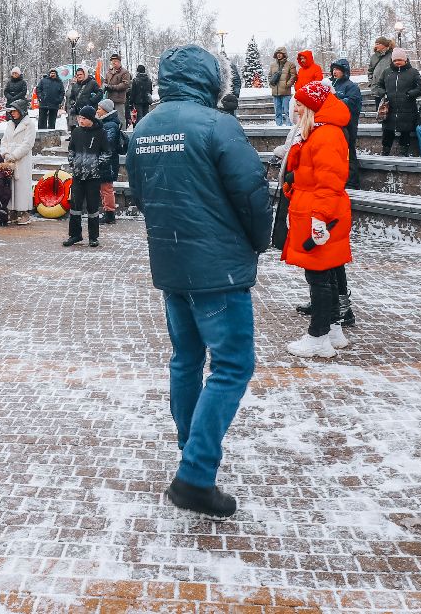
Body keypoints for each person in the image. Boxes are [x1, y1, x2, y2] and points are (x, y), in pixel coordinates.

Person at [125, 45, 270, 519]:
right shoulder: (217, 124)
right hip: (219, 269)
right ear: (209, 79)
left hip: (172, 261)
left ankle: (191, 453)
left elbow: (142, 195)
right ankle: (196, 473)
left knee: (186, 359)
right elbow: (251, 193)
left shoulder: (143, 128)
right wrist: (258, 240)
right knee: (231, 366)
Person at [280, 80, 354, 358]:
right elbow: (316, 174)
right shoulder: (319, 133)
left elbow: (330, 182)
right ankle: (333, 330)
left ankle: (318, 336)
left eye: (300, 103)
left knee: (319, 278)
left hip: (319, 211)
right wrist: (294, 178)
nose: (296, 108)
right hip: (313, 208)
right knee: (328, 273)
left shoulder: (325, 136)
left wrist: (319, 217)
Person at [64, 105, 107, 248]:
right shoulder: (76, 132)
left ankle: (93, 237)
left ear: (90, 119)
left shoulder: (100, 133)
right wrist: (73, 162)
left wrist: (95, 164)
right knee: (75, 206)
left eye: (83, 118)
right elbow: (71, 150)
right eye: (79, 118)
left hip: (93, 176)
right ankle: (75, 234)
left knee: (92, 207)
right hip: (77, 175)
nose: (80, 120)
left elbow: (107, 152)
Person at [376, 49, 421, 156]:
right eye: (395, 60)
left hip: (407, 108)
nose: (397, 62)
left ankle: (403, 151)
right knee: (387, 131)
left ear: (405, 60)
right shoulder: (386, 72)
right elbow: (378, 86)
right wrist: (383, 93)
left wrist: (410, 94)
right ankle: (385, 150)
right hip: (389, 107)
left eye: (400, 60)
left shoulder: (413, 72)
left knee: (405, 131)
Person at [0, 99, 38, 225]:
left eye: (15, 111)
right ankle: (13, 211)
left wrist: (14, 155)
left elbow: (28, 144)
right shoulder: (10, 124)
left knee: (22, 185)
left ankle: (25, 212)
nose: (12, 113)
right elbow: (4, 140)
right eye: (11, 111)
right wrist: (5, 153)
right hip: (9, 159)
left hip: (22, 160)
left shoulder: (29, 124)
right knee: (10, 186)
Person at [328, 59, 363, 187]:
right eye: (333, 69)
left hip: (348, 126)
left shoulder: (351, 86)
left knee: (349, 154)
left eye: (337, 69)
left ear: (344, 71)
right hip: (334, 126)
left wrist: (335, 98)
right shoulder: (331, 85)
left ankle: (352, 183)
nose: (334, 72)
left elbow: (353, 103)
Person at [97, 98, 126, 223]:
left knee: (106, 188)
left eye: (99, 109)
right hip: (106, 161)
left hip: (108, 162)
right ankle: (108, 212)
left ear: (105, 110)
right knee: (104, 188)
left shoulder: (110, 125)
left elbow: (107, 144)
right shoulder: (106, 123)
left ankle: (110, 214)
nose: (97, 111)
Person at [363, 38, 394, 117]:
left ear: (384, 45)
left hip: (390, 88)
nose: (376, 45)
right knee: (380, 113)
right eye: (375, 43)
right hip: (377, 89)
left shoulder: (392, 55)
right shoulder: (374, 57)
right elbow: (370, 71)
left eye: (378, 43)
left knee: (391, 112)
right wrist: (371, 83)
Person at [268, 48, 298, 125]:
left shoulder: (290, 64)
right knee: (277, 111)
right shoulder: (272, 65)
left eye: (280, 53)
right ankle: (278, 125)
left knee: (287, 110)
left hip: (286, 92)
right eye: (277, 53)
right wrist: (271, 84)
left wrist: (287, 85)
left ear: (284, 54)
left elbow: (293, 76)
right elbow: (269, 76)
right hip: (275, 92)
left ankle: (289, 125)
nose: (278, 54)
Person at [103, 54, 131, 119]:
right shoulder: (109, 72)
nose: (113, 62)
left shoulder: (125, 72)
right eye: (112, 61)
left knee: (120, 118)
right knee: (109, 118)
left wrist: (112, 87)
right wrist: (105, 86)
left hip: (119, 99)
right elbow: (105, 81)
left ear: (119, 62)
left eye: (115, 61)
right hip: (109, 99)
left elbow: (125, 84)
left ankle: (122, 129)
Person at [128, 64, 154, 128]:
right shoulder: (149, 80)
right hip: (146, 101)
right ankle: (146, 129)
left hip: (138, 101)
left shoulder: (136, 80)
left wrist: (131, 103)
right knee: (146, 116)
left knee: (139, 116)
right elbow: (150, 91)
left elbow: (133, 92)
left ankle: (139, 130)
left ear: (138, 71)